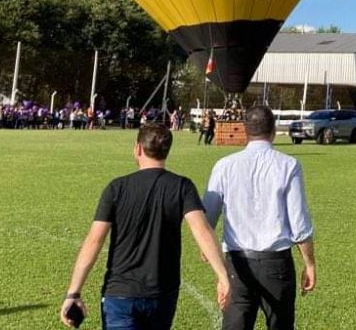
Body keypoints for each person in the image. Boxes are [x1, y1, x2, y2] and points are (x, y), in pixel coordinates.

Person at [59, 124, 229, 329]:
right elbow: (202, 230)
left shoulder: (117, 188)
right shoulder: (182, 186)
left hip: (120, 293)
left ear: (138, 149)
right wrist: (222, 276)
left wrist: (74, 292)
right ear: (167, 151)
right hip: (162, 293)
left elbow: (94, 241)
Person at [203, 107, 316, 330]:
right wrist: (309, 264)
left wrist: (212, 258)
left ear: (245, 130)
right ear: (273, 130)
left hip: (238, 263)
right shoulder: (288, 165)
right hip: (277, 263)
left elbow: (207, 219)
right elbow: (299, 223)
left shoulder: (224, 166)